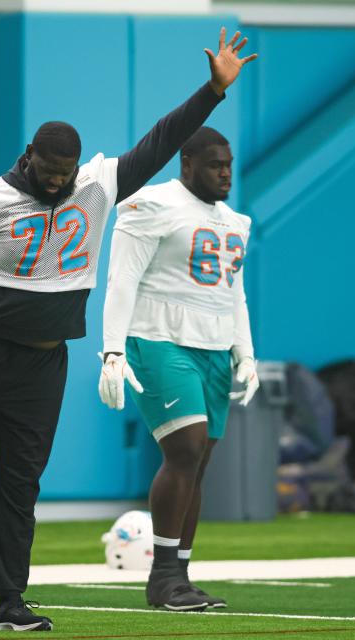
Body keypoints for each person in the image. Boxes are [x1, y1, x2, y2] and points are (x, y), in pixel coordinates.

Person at [0, 30, 257, 632]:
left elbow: (161, 139)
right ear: (28, 156)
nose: (56, 180)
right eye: (48, 169)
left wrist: (213, 92)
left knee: (21, 484)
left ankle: (10, 603)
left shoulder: (95, 184)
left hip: (43, 363)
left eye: (65, 171)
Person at [98, 127, 259, 611]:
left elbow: (235, 293)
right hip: (158, 339)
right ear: (186, 163)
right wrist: (111, 351)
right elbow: (121, 279)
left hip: (212, 348)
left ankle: (180, 576)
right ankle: (163, 577)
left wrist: (244, 352)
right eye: (215, 164)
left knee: (199, 463)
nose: (225, 172)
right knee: (185, 450)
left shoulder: (236, 221)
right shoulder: (151, 204)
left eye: (229, 163)